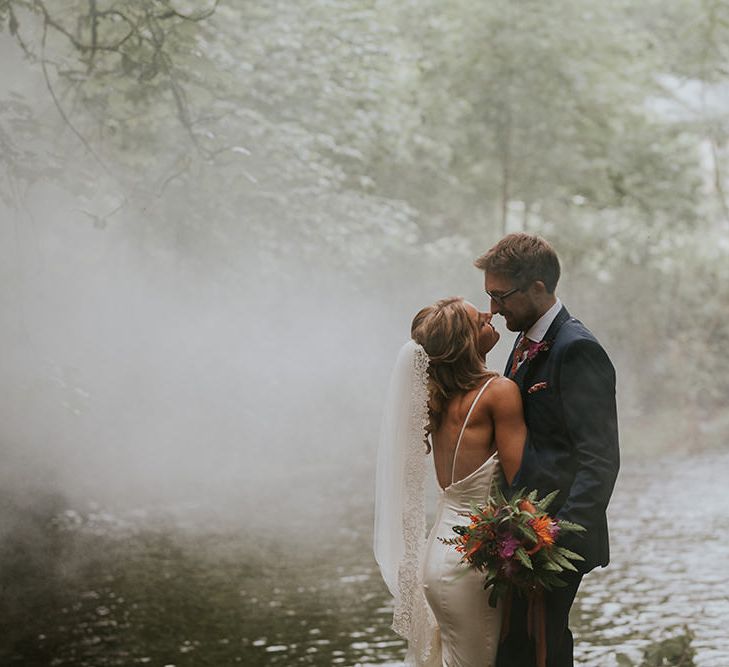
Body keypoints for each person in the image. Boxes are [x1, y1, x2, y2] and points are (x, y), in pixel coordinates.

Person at [474, 233, 620, 667]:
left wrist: (555, 544)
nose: (494, 310)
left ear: (538, 286)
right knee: (522, 648)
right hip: (519, 535)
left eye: (501, 296)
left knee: (542, 648)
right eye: (490, 297)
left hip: (552, 539)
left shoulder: (577, 349)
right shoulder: (522, 340)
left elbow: (600, 458)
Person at [374, 296, 526, 666]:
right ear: (466, 344)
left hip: (439, 552)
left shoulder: (440, 399)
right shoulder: (499, 392)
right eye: (479, 319)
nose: (491, 315)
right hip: (470, 561)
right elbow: (522, 480)